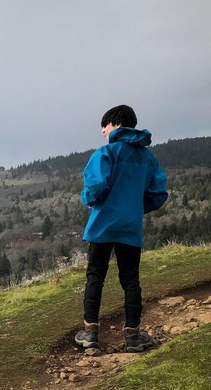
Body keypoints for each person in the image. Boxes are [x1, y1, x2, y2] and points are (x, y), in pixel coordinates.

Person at [74, 104, 168, 352]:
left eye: (104, 126)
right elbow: (158, 193)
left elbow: (95, 189)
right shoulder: (149, 158)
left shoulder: (106, 153)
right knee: (130, 280)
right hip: (130, 227)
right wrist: (135, 207)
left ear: (116, 124)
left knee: (96, 276)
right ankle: (133, 336)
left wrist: (86, 199)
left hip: (102, 226)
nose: (103, 131)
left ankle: (90, 333)